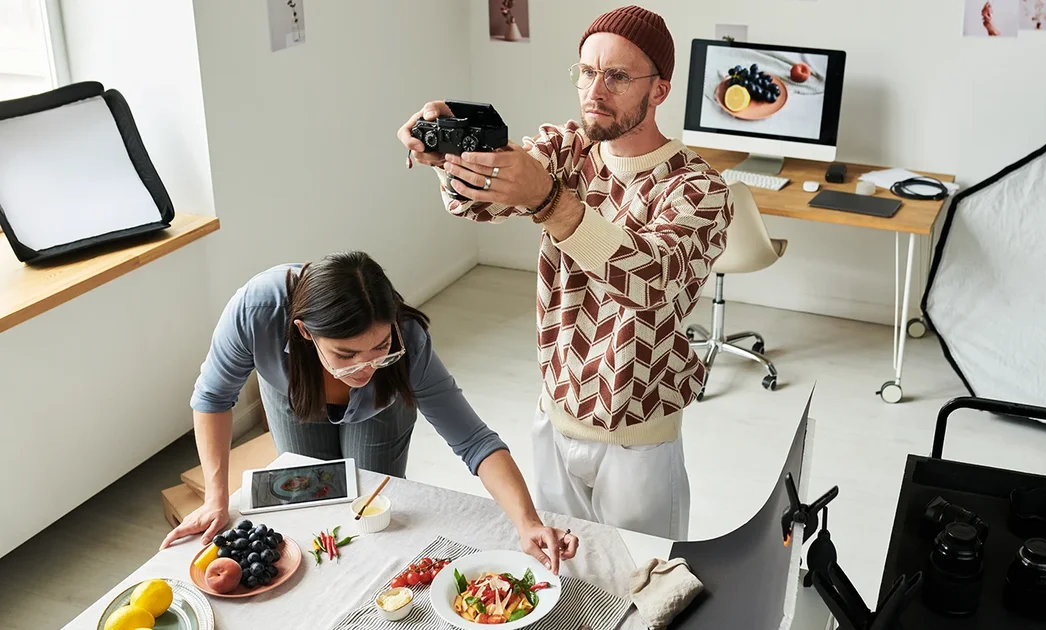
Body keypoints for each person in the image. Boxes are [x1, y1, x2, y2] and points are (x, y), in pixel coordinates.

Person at [399, 6, 732, 540]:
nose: (594, 91)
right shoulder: (567, 149)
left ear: (660, 91)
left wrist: (550, 201)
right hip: (554, 417)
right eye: (586, 71)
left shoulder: (697, 188)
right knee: (570, 578)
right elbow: (476, 204)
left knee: (643, 583)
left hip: (638, 436)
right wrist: (453, 150)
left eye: (618, 76)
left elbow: (647, 281)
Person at [160, 251, 578, 573]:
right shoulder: (257, 309)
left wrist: (527, 522)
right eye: (345, 354)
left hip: (380, 412)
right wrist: (216, 500)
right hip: (293, 401)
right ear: (305, 332)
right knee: (307, 503)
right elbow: (213, 398)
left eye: (380, 347)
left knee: (368, 511)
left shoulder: (407, 339)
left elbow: (474, 441)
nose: (363, 369)